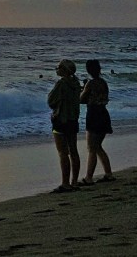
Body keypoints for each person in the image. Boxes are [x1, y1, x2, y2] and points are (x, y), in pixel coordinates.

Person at [47, 59, 83, 192]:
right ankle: (74, 182)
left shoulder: (61, 84)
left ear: (64, 70)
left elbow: (51, 101)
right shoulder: (76, 83)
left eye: (59, 67)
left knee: (63, 153)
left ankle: (65, 183)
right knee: (73, 151)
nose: (57, 69)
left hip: (61, 120)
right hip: (73, 120)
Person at [79, 59, 115, 184]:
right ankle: (108, 173)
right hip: (104, 114)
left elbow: (81, 99)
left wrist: (82, 90)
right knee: (98, 147)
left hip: (94, 114)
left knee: (92, 148)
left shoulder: (90, 83)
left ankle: (89, 177)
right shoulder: (103, 82)